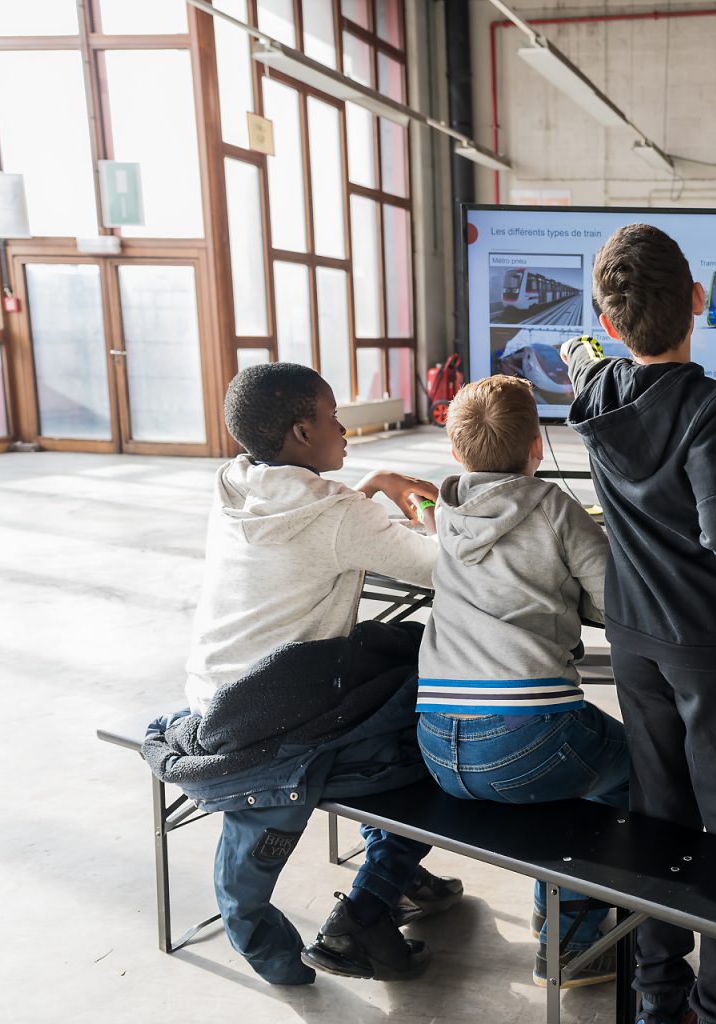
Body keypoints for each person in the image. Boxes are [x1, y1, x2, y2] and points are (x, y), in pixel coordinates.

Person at [165, 363, 461, 985]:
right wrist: (430, 511)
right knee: (451, 723)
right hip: (280, 713)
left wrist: (371, 485)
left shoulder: (235, 487)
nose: (344, 427)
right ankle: (377, 892)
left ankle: (398, 872)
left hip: (214, 694)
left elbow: (319, 524)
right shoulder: (335, 515)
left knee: (400, 649)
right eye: (332, 416)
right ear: (303, 431)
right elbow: (441, 569)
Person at [561, 224, 716, 1024]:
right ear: (699, 300)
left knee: (659, 816)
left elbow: (588, 362)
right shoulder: (710, 404)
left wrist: (596, 347)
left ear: (612, 326)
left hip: (633, 637)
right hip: (713, 644)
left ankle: (657, 989)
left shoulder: (593, 395)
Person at [412, 374, 630, 989]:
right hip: (527, 738)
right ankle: (573, 942)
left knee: (567, 776)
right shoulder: (554, 507)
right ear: (538, 445)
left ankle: (556, 915)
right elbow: (613, 600)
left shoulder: (446, 512)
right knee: (634, 774)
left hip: (436, 742)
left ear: (456, 453)